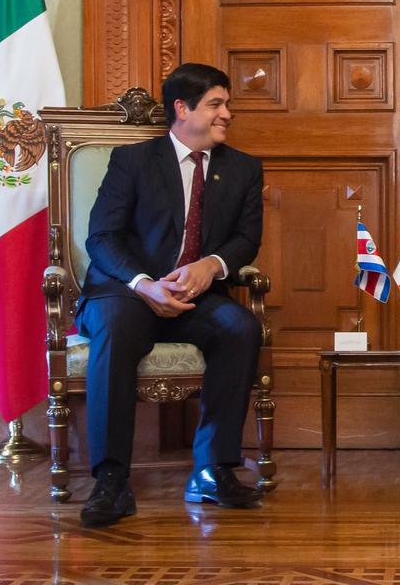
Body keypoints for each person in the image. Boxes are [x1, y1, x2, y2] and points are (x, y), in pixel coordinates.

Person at [77, 63, 265, 528]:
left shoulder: (243, 169)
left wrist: (211, 265)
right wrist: (144, 283)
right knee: (115, 329)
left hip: (194, 297)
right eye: (216, 104)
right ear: (182, 109)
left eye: (227, 104)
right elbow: (101, 237)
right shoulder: (133, 162)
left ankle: (212, 470)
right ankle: (111, 479)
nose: (227, 114)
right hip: (127, 294)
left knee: (240, 327)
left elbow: (246, 239)